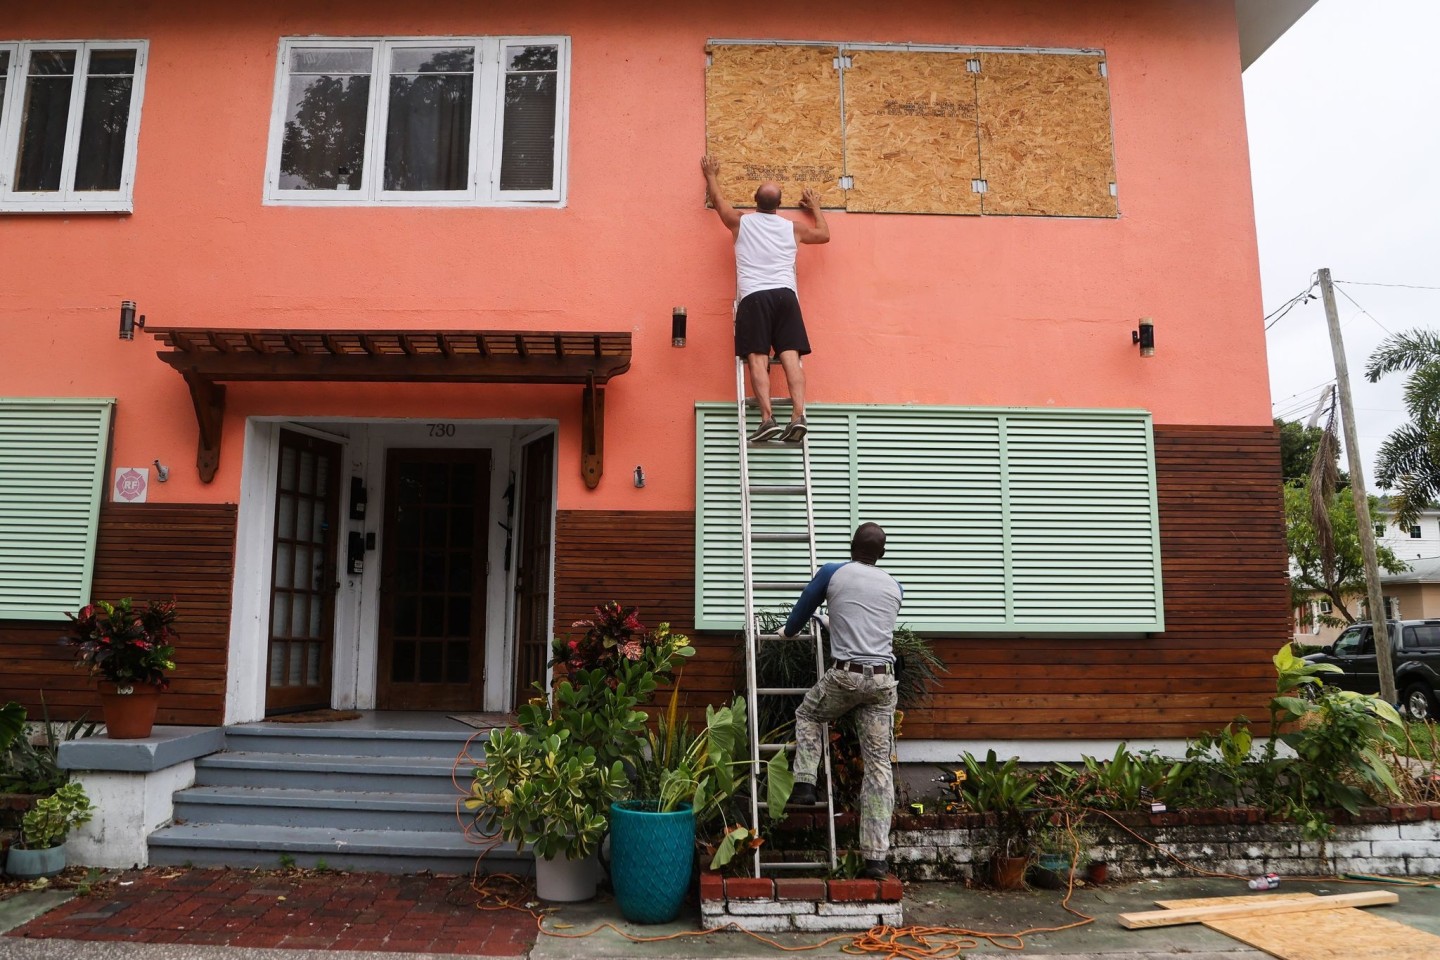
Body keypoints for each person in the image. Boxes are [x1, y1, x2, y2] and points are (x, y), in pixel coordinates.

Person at [780, 522, 903, 880]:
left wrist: (792, 630)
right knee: (878, 765)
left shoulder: (833, 572)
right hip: (882, 680)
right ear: (881, 554)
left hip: (845, 676)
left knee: (808, 712)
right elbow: (868, 629)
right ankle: (876, 860)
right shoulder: (895, 585)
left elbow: (799, 613)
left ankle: (804, 783)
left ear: (851, 547)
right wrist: (833, 622)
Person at [701, 156, 830, 443]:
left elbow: (720, 203)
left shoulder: (741, 222)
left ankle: (767, 418)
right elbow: (823, 235)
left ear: (754, 200)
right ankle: (798, 415)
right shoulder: (792, 228)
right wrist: (815, 207)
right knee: (791, 358)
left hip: (755, 297)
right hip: (786, 296)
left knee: (757, 358)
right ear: (779, 204)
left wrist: (711, 175)